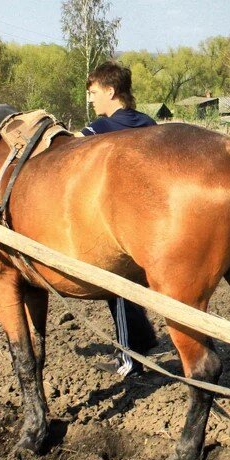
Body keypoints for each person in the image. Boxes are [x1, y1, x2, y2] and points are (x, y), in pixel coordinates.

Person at [80, 61, 160, 371]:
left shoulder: (99, 129)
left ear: (111, 91)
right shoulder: (149, 123)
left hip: (121, 218)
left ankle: (129, 359)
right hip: (152, 215)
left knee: (116, 283)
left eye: (94, 92)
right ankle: (140, 343)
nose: (91, 99)